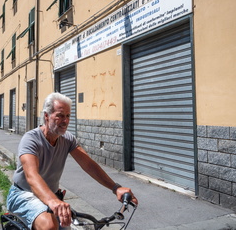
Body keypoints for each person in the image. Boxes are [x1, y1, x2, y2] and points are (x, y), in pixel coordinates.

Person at [7, 92, 138, 230]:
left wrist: (116, 188)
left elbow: (89, 164)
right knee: (49, 226)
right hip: (24, 194)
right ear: (46, 116)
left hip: (51, 198)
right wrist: (54, 201)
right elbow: (32, 176)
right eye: (60, 115)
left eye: (68, 116)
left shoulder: (68, 139)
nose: (65, 121)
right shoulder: (31, 139)